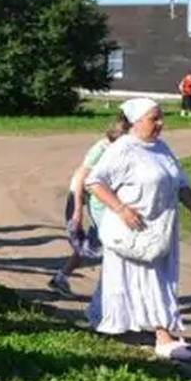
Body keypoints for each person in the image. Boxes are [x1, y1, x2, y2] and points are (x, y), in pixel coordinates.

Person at [85, 97, 191, 360]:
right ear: (136, 121)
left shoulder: (161, 148)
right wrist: (121, 209)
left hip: (161, 227)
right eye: (154, 119)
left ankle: (103, 318)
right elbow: (94, 182)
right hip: (134, 228)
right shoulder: (123, 149)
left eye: (161, 117)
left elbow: (180, 183)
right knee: (152, 279)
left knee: (132, 277)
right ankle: (163, 337)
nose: (160, 123)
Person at [50, 113, 129, 296]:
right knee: (109, 243)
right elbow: (81, 180)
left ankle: (61, 277)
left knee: (90, 245)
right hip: (83, 196)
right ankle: (114, 293)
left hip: (100, 197)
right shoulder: (101, 150)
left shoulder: (121, 149)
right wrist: (78, 211)